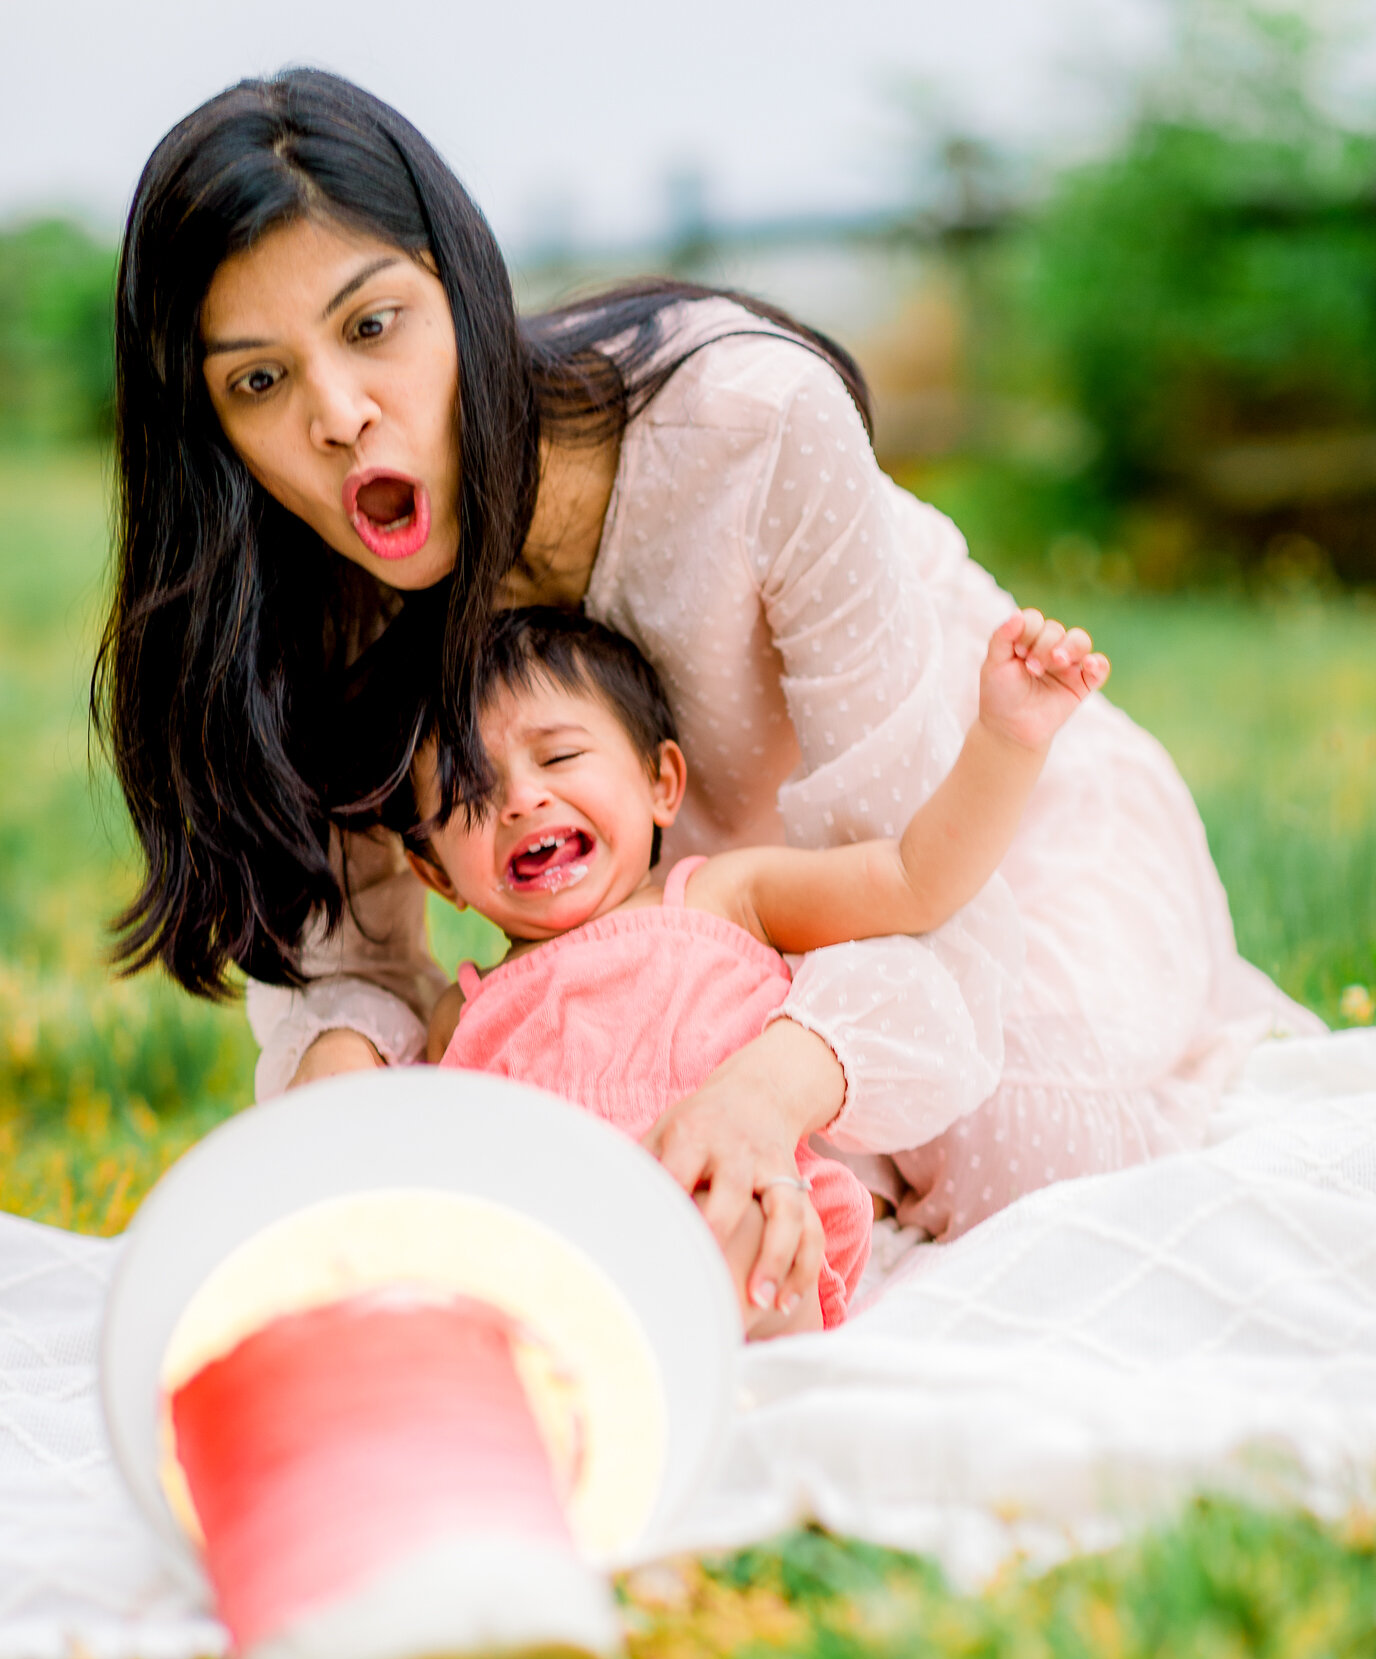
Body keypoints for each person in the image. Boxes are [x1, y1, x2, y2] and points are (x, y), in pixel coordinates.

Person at [93, 69, 1316, 1313]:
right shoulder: (304, 607)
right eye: (258, 381)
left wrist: (760, 1093)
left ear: (459, 285)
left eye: (371, 326)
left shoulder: (749, 422)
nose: (341, 418)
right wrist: (338, 1126)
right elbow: (349, 968)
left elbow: (919, 894)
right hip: (679, 975)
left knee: (1017, 1165)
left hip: (976, 830)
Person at [405, 603, 1106, 1335]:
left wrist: (1007, 740)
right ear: (436, 874)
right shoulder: (461, 1015)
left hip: (727, 1209)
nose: (521, 799)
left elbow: (914, 879)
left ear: (661, 783)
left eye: (557, 757)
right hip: (551, 1264)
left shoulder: (721, 896)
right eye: (470, 793)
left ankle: (741, 1390)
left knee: (727, 1235)